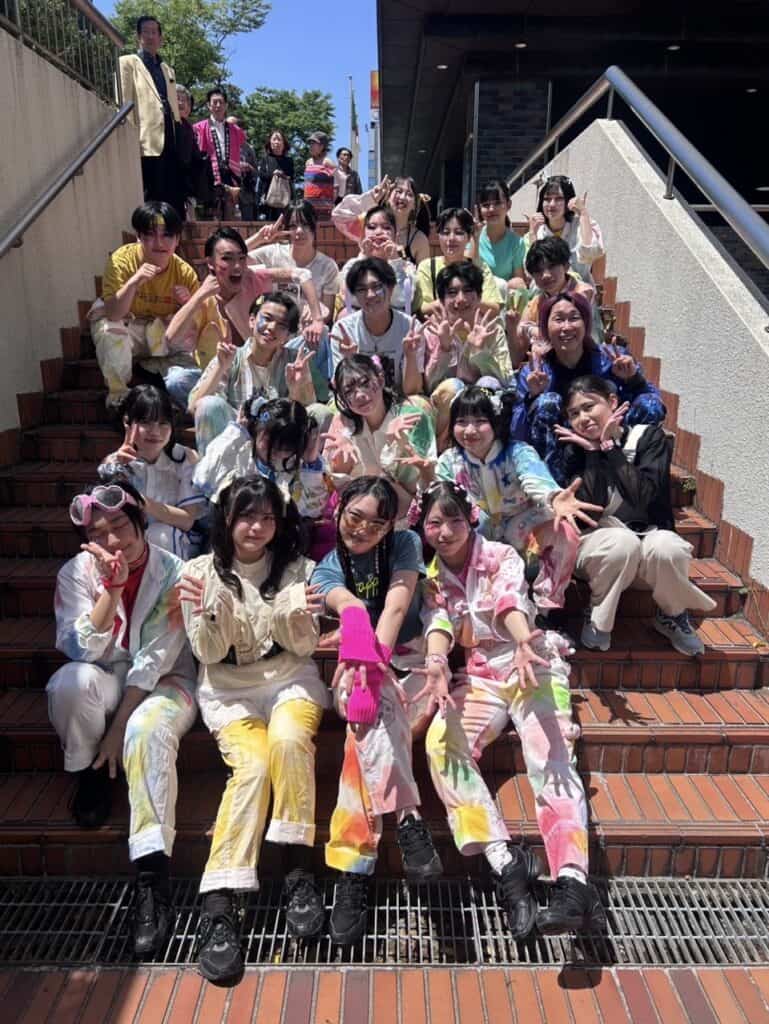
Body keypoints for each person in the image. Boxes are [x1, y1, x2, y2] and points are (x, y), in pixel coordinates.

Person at [415, 481, 606, 938]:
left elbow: (508, 601)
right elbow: (438, 623)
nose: (445, 532)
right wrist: (436, 662)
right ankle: (505, 862)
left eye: (454, 520)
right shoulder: (431, 578)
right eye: (434, 523)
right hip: (480, 675)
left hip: (532, 663)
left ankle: (573, 882)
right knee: (441, 743)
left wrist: (523, 639)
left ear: (471, 520)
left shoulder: (500, 555)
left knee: (550, 756)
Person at [179, 476, 329, 982]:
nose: (257, 527)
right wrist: (211, 614)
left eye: (267, 517)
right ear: (226, 519)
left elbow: (304, 648)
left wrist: (295, 613)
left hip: (291, 679)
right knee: (253, 765)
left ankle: (298, 868)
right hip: (228, 690)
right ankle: (219, 901)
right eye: (247, 516)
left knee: (288, 740)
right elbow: (207, 653)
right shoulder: (198, 573)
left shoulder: (299, 570)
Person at [47, 478, 197, 956]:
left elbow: (154, 659)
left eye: (120, 525)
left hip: (168, 679)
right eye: (98, 532)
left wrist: (117, 732)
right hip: (107, 672)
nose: (113, 540)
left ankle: (152, 878)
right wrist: (109, 593)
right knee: (71, 684)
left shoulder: (174, 571)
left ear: (140, 521)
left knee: (145, 730)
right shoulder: (75, 573)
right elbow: (77, 647)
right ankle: (89, 774)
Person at [312, 477, 442, 945]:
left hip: (411, 665)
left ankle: (353, 869)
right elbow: (347, 604)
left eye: (376, 522)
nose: (363, 529)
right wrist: (362, 659)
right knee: (366, 711)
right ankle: (408, 818)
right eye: (355, 517)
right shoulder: (327, 566)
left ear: (390, 526)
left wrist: (374, 664)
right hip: (358, 665)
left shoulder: (405, 545)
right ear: (338, 510)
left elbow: (396, 607)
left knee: (361, 728)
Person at [556, 375, 716, 654]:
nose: (583, 418)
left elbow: (644, 496)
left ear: (613, 402)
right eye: (574, 413)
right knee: (622, 542)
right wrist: (592, 455)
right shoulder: (573, 448)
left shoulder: (649, 438)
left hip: (648, 549)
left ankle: (672, 615)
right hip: (600, 552)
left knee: (668, 547)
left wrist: (610, 448)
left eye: (589, 407)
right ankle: (598, 619)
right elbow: (591, 509)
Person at [434, 386, 600, 622]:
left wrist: (554, 497)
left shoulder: (518, 452)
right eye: (461, 422)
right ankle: (471, 606)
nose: (470, 430)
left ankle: (547, 608)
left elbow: (534, 478)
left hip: (524, 533)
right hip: (480, 541)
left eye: (480, 421)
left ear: (496, 423)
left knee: (563, 531)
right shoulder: (449, 462)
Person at [164, 226, 326, 406]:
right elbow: (171, 339)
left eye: (242, 259)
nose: (237, 266)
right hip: (220, 377)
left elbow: (302, 274)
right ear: (210, 263)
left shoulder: (253, 276)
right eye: (227, 259)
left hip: (266, 367)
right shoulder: (204, 297)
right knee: (177, 381)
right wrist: (199, 296)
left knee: (321, 334)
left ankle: (324, 398)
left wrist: (317, 319)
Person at [518, 291, 665, 483]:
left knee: (650, 405)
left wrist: (633, 379)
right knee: (547, 402)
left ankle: (636, 479)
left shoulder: (613, 358)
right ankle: (556, 489)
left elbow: (655, 402)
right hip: (565, 448)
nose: (566, 327)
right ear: (545, 328)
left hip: (612, 438)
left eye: (574, 318)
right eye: (558, 319)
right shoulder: (535, 371)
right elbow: (517, 432)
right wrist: (532, 397)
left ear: (586, 323)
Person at [90, 201, 199, 409]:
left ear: (177, 240)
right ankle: (118, 396)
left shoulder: (185, 273)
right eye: (150, 235)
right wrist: (133, 282)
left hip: (158, 332)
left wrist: (187, 304)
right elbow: (113, 314)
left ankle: (156, 371)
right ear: (138, 236)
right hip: (127, 326)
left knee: (192, 331)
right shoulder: (121, 261)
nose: (159, 243)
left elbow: (195, 326)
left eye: (167, 235)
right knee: (109, 330)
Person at [323, 354, 436, 523]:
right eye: (349, 391)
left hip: (406, 513)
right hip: (357, 513)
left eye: (365, 383)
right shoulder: (343, 423)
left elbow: (423, 482)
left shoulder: (413, 417)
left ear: (381, 380)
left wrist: (400, 443)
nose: (359, 395)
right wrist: (342, 463)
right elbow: (332, 486)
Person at [98, 386, 206, 559]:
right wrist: (116, 470)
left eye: (163, 423)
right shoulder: (113, 465)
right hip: (132, 542)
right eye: (145, 422)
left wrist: (140, 501)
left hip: (178, 543)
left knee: (159, 534)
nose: (155, 432)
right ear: (127, 422)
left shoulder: (185, 458)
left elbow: (187, 520)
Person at [421, 261, 514, 448]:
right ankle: (444, 449)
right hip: (444, 417)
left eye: (468, 291)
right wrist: (444, 348)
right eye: (452, 293)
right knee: (453, 386)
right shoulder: (432, 331)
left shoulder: (492, 329)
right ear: (441, 300)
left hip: (483, 414)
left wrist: (479, 352)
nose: (461, 299)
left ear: (479, 296)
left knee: (488, 384)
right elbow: (429, 386)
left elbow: (506, 382)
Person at [329, 258, 425, 394]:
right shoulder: (343, 330)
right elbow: (342, 390)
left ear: (391, 289)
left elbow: (412, 391)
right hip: (359, 400)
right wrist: (349, 361)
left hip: (399, 400)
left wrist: (410, 355)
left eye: (376, 287)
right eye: (362, 289)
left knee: (418, 403)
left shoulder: (411, 329)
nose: (370, 295)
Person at [247, 200, 340, 330]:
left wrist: (318, 310)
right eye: (293, 226)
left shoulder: (328, 266)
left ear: (316, 226)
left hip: (307, 331)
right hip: (273, 329)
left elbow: (328, 313)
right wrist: (259, 238)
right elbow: (234, 258)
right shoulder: (273, 254)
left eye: (305, 225)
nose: (299, 231)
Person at [120, 16, 181, 211]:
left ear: (160, 38)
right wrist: (130, 138)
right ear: (138, 36)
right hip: (146, 138)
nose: (150, 36)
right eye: (146, 32)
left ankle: (168, 228)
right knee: (150, 194)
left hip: (169, 135)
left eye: (154, 32)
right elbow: (123, 102)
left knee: (170, 195)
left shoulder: (167, 69)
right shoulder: (128, 62)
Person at [517, 237, 597, 360]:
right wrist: (532, 330)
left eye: (551, 266)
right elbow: (521, 328)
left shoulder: (583, 293)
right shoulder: (537, 302)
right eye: (538, 271)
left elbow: (576, 335)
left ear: (566, 266)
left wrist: (539, 335)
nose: (545, 275)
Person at [414, 208, 501, 317]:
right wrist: (451, 301)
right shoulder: (427, 267)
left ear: (469, 237)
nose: (451, 238)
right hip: (440, 326)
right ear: (438, 236)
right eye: (445, 233)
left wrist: (469, 300)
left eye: (459, 233)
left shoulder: (479, 267)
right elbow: (422, 309)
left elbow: (494, 309)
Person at [333, 175, 431, 265]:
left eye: (409, 194)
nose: (402, 197)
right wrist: (371, 198)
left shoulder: (419, 239)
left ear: (415, 205)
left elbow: (422, 276)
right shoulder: (370, 224)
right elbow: (338, 215)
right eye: (399, 191)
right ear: (388, 197)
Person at [526, 175, 605, 287]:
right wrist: (532, 234)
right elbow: (532, 270)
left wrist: (583, 213)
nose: (552, 204)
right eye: (547, 199)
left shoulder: (584, 224)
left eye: (558, 198)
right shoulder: (536, 230)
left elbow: (590, 253)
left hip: (579, 291)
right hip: (546, 291)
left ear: (568, 200)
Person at [337, 206, 415, 313]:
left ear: (396, 237)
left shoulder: (406, 268)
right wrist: (364, 258)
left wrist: (395, 260)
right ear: (363, 234)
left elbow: (401, 300)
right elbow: (351, 298)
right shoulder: (352, 264)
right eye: (372, 227)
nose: (378, 232)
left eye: (386, 228)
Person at [194, 89, 246, 220]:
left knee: (230, 218)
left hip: (230, 175)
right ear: (208, 105)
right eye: (214, 102)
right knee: (211, 218)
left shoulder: (236, 130)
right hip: (209, 176)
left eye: (221, 102)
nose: (218, 105)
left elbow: (242, 143)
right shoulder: (199, 128)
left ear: (226, 105)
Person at [472, 180, 527, 294]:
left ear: (508, 205)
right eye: (486, 205)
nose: (491, 209)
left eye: (497, 203)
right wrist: (475, 240)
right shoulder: (472, 237)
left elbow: (519, 283)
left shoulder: (516, 243)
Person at [173, 85, 208, 220]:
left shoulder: (189, 127)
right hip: (169, 180)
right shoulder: (167, 124)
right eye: (177, 99)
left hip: (185, 185)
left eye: (185, 100)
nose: (182, 103)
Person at [255, 130, 295, 222]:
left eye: (279, 139)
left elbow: (291, 177)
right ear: (270, 143)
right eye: (274, 139)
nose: (276, 142)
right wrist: (273, 174)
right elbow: (261, 175)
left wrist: (282, 175)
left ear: (284, 143)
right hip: (267, 200)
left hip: (284, 199)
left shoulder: (289, 161)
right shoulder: (265, 159)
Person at [228, 116, 257, 220]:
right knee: (227, 224)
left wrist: (249, 168)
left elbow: (256, 172)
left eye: (234, 125)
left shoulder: (249, 148)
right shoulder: (220, 146)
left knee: (247, 223)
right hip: (227, 193)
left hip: (246, 193)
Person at [304, 131, 336, 222]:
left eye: (313, 143)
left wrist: (333, 203)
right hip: (308, 205)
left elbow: (336, 184)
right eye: (310, 143)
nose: (311, 146)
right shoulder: (308, 162)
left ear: (322, 146)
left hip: (324, 206)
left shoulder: (327, 162)